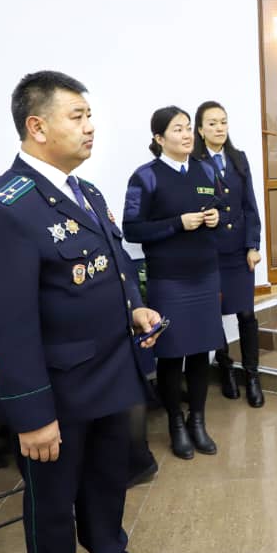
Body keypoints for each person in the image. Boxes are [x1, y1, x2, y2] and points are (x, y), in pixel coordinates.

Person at [0, 70, 162, 553]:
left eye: (89, 115)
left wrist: (136, 308)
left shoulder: (86, 193)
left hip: (112, 379)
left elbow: (112, 265)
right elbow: (7, 327)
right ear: (37, 127)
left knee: (107, 490)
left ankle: (109, 552)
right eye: (77, 117)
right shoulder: (6, 210)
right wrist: (32, 416)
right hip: (59, 397)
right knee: (52, 510)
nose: (90, 126)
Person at [122, 106, 225, 460]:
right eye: (177, 129)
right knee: (170, 353)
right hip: (169, 279)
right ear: (159, 138)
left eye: (188, 127)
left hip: (205, 274)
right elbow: (132, 229)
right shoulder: (145, 177)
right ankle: (176, 424)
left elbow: (219, 206)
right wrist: (177, 223)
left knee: (200, 351)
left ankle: (198, 421)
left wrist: (215, 216)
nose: (186, 134)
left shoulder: (205, 169)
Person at [197, 101, 266, 408]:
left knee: (246, 314)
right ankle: (225, 366)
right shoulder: (194, 162)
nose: (219, 128)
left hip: (238, 250)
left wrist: (253, 245)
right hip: (210, 251)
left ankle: (252, 375)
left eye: (223, 122)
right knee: (213, 314)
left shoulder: (239, 158)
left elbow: (250, 204)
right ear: (200, 130)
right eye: (212, 123)